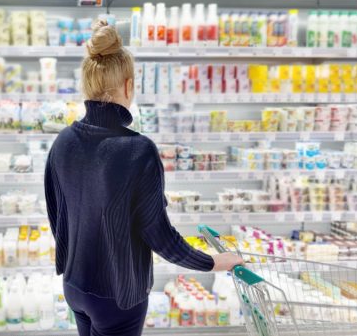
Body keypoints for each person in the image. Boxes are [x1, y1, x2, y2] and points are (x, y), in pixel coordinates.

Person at [45, 20, 244, 336]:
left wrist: (70, 268)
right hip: (118, 297)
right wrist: (213, 262)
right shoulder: (138, 150)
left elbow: (58, 218)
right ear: (127, 86)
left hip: (75, 287)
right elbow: (159, 236)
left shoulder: (63, 141)